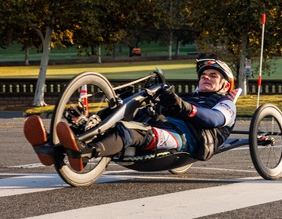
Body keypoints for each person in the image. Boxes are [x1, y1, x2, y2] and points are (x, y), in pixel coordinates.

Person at [24, 58, 241, 172]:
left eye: (213, 75)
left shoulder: (226, 103)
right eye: (204, 75)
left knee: (131, 131)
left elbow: (213, 120)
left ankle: (85, 151)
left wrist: (183, 107)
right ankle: (53, 146)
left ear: (225, 84)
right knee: (121, 113)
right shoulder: (188, 96)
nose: (206, 77)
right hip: (163, 123)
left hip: (185, 138)